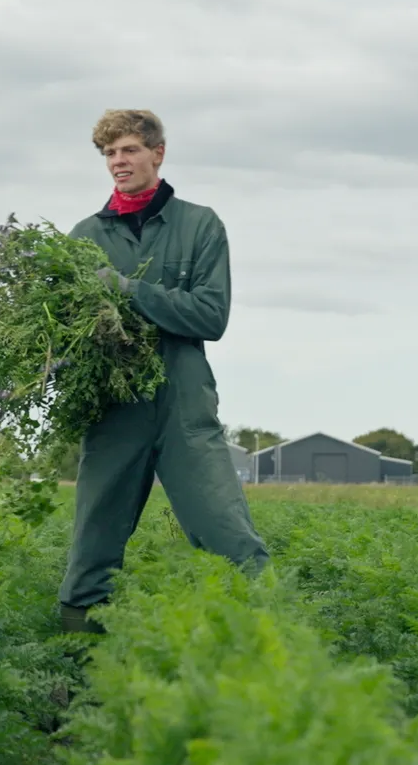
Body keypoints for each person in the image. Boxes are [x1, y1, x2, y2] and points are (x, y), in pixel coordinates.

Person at [57, 109, 269, 634]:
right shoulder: (83, 238)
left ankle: (265, 652)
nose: (118, 162)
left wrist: (129, 291)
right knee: (93, 545)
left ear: (158, 153)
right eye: (109, 153)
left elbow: (210, 316)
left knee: (228, 535)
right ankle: (76, 674)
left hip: (183, 406)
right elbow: (66, 328)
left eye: (128, 150)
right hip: (115, 408)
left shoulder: (200, 225)